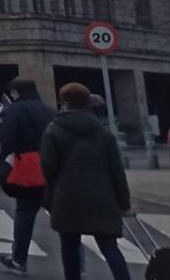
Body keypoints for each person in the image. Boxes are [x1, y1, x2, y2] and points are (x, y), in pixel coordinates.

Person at [42, 82, 132, 280]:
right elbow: (117, 171)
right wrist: (124, 204)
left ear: (64, 103)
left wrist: (49, 197)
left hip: (67, 197)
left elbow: (48, 166)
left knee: (70, 246)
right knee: (109, 247)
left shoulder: (54, 130)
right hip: (102, 197)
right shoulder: (103, 133)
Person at [0, 77, 56, 276]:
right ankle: (77, 263)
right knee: (61, 216)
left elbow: (8, 141)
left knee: (25, 215)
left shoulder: (13, 111)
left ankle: (19, 260)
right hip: (52, 168)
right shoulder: (49, 111)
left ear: (15, 93)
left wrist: (3, 162)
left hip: (28, 168)